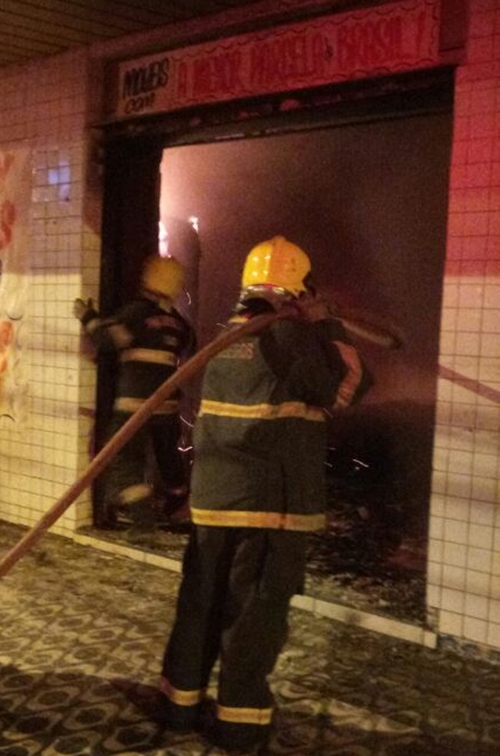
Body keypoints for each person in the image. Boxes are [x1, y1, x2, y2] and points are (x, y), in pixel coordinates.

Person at [156, 236, 372, 754]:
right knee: (253, 618)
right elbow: (349, 387)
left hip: (214, 503)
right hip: (268, 508)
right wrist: (327, 324)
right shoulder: (292, 336)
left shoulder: (228, 335)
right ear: (301, 290)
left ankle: (178, 709)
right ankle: (242, 724)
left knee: (200, 605)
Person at [74, 255, 196, 540]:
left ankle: (143, 521)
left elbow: (108, 341)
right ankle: (178, 506)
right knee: (169, 460)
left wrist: (88, 317)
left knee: (122, 461)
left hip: (133, 405)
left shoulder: (135, 313)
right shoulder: (179, 324)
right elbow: (186, 350)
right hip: (167, 406)